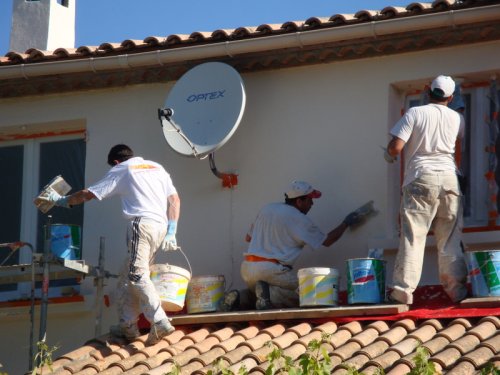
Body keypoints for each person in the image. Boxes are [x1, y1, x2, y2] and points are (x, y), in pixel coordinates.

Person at [40, 144, 180, 345]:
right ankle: (128, 325)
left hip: (141, 225)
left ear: (115, 162)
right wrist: (172, 229)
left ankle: (159, 320)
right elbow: (174, 200)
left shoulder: (122, 169)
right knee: (127, 275)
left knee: (136, 274)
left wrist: (63, 200)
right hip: (160, 228)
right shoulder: (156, 167)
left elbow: (90, 193)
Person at [384, 75, 468, 305]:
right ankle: (457, 291)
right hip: (450, 180)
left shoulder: (414, 113)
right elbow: (455, 142)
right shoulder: (458, 119)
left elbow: (396, 148)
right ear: (450, 97)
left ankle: (402, 292)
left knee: (414, 237)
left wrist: (388, 150)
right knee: (450, 239)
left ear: (426, 90)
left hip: (420, 178)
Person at [234, 180, 370, 310]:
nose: (312, 204)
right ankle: (269, 295)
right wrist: (346, 223)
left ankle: (241, 297)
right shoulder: (299, 219)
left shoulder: (267, 208)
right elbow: (328, 241)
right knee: (309, 292)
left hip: (247, 268)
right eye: (310, 200)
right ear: (299, 201)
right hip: (271, 270)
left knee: (262, 295)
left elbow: (248, 238)